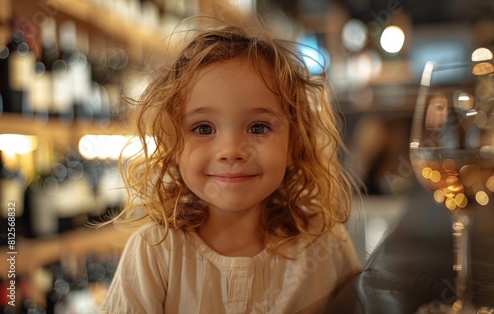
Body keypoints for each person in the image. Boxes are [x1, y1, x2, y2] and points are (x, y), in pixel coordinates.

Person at [100, 16, 361, 314]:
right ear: (174, 148)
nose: (231, 151)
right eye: (203, 129)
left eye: (259, 127)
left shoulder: (325, 243)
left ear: (294, 144)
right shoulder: (154, 253)